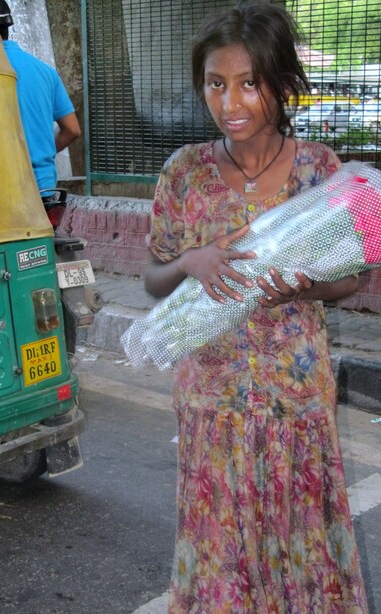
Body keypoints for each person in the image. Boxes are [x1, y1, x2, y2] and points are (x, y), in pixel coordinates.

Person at [144, 4, 368, 612]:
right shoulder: (183, 173)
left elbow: (353, 278)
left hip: (295, 402)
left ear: (282, 82)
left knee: (299, 547)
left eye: (250, 83)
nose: (230, 102)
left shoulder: (320, 171)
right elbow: (153, 277)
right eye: (216, 84)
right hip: (210, 401)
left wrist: (305, 288)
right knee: (222, 551)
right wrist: (189, 261)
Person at [0, 0, 81, 192]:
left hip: (2, 189)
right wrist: (42, 153)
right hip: (45, 188)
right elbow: (72, 130)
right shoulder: (46, 71)